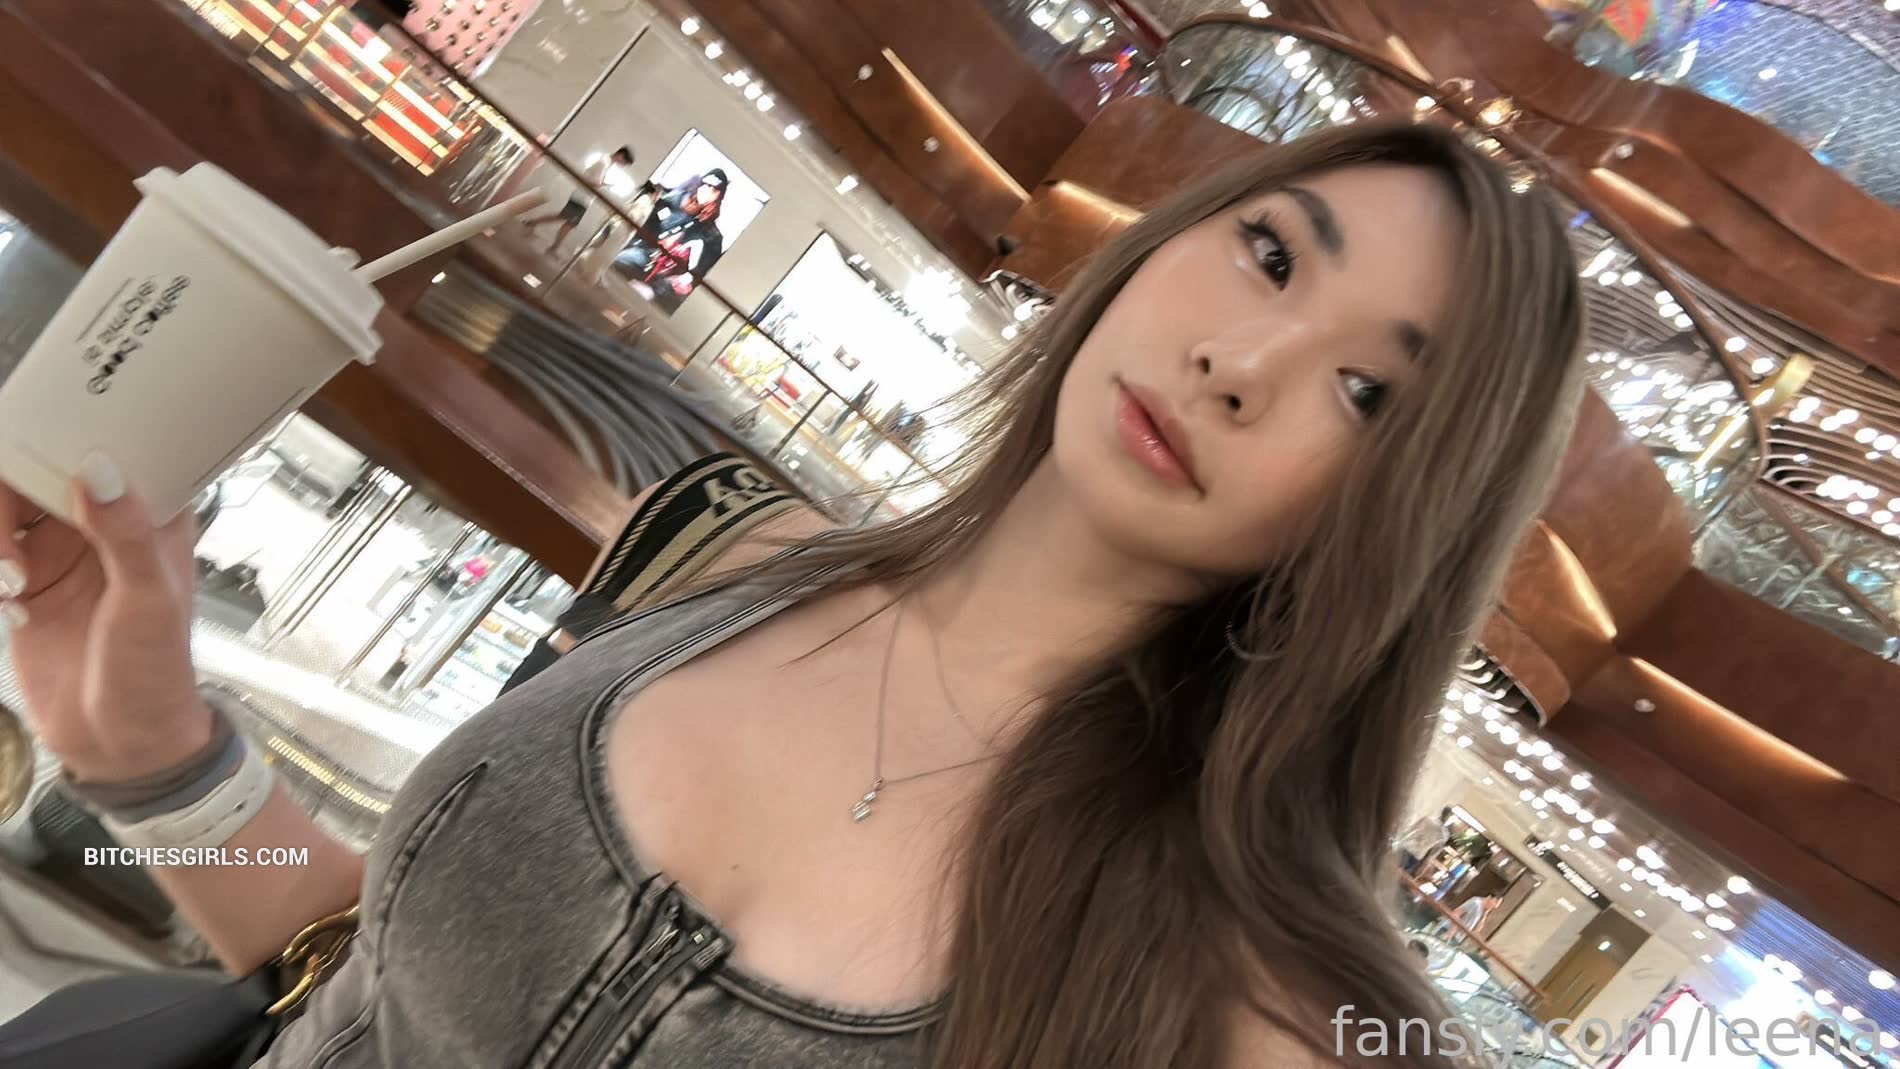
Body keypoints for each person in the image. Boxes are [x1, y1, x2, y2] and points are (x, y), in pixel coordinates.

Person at [0, 120, 1585, 1067]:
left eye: (1371, 394)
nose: (1244, 362)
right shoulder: (727, 556)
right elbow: (366, 970)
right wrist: (158, 755)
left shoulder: (1242, 988)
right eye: (1273, 255)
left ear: (1406, 514)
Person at [613, 169, 729, 312]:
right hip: (649, 258)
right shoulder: (676, 205)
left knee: (647, 297)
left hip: (670, 282)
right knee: (621, 259)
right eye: (703, 184)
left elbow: (696, 276)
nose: (705, 189)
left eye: (711, 187)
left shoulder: (713, 238)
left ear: (718, 195)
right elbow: (648, 231)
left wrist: (656, 290)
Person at [519, 146, 637, 255]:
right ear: (621, 156)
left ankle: (544, 236)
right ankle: (542, 234)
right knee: (566, 220)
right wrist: (605, 184)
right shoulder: (603, 163)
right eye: (624, 163)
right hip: (581, 198)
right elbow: (591, 182)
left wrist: (602, 183)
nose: (622, 165)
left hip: (583, 198)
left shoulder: (606, 163)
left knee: (568, 222)